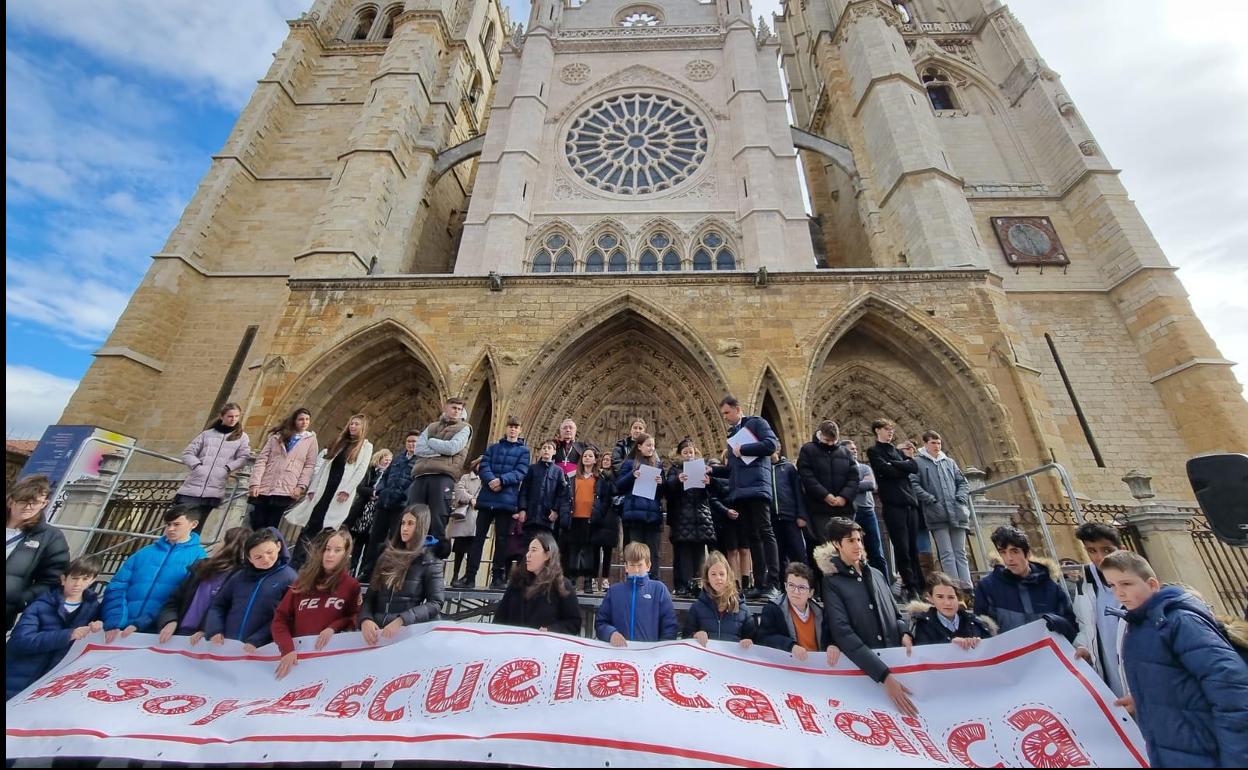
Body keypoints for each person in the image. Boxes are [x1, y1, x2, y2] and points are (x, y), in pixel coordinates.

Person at [1101, 550, 1248, 768]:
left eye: (1126, 584)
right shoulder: (1141, 625)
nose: (1119, 594)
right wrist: (1144, 696)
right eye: (1112, 586)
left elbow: (1232, 692)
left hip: (1207, 751)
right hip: (1174, 750)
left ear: (1152, 584)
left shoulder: (1180, 621)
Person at [815, 517, 917, 717]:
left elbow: (896, 614)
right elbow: (842, 632)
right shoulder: (832, 582)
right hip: (866, 677)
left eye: (859, 539)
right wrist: (884, 675)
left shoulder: (878, 574)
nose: (858, 545)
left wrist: (904, 632)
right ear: (837, 544)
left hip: (897, 664)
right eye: (851, 541)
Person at [102, 504, 207, 640]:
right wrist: (115, 620)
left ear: (193, 524)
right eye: (168, 524)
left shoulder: (199, 558)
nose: (170, 529)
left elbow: (185, 598)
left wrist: (142, 623)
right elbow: (117, 586)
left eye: (176, 524)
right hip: (119, 629)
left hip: (159, 631)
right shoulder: (144, 553)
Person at [6, 555, 103, 700]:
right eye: (74, 578)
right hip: (17, 678)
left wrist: (102, 625)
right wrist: (68, 635)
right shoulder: (40, 604)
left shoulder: (94, 609)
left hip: (50, 688)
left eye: (85, 579)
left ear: (93, 580)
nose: (78, 583)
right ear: (64, 579)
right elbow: (20, 641)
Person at [712, 396, 781, 600]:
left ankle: (774, 582)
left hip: (758, 488)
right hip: (741, 492)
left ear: (738, 409)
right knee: (753, 538)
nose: (724, 417)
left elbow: (771, 445)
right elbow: (732, 469)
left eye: (727, 412)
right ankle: (759, 583)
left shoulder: (756, 423)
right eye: (723, 414)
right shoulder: (733, 435)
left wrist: (744, 449)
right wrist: (712, 471)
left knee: (766, 532)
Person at [271, 528, 362, 679]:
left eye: (337, 550)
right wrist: (287, 649)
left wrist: (334, 627)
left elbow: (355, 617)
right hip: (295, 660)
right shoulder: (302, 582)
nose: (330, 554)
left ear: (346, 554)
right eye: (327, 549)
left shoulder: (351, 586)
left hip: (328, 665)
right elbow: (280, 619)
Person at [286, 414, 373, 567]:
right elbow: (325, 467)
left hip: (340, 491)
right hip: (325, 487)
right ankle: (297, 561)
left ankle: (313, 564)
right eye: (351, 423)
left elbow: (360, 470)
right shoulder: (340, 442)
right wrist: (313, 488)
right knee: (311, 523)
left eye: (356, 424)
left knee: (328, 527)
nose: (352, 426)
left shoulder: (366, 446)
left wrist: (347, 490)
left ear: (363, 427)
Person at [974, 526, 1077, 641]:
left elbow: (1070, 626)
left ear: (1027, 554)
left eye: (1014, 551)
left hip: (1048, 654)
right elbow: (981, 631)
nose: (1009, 558)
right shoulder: (987, 587)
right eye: (1003, 552)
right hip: (1011, 656)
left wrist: (1055, 622)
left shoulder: (1050, 587)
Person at [361, 505, 445, 643]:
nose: (405, 528)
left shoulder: (430, 561)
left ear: (421, 526)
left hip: (406, 635)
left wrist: (402, 620)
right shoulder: (386, 556)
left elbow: (435, 602)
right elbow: (370, 596)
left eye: (411, 523)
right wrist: (365, 619)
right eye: (403, 523)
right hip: (375, 632)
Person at [204, 527, 297, 651]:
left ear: (278, 546)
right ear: (249, 558)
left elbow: (287, 617)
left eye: (269, 552)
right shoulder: (239, 577)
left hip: (260, 649)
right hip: (226, 644)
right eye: (258, 557)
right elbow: (218, 605)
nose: (266, 559)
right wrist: (214, 629)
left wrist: (257, 640)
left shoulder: (290, 578)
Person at [156, 526, 251, 643]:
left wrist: (208, 629)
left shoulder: (241, 578)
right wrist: (169, 621)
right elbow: (174, 601)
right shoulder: (200, 569)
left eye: (221, 541)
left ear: (230, 547)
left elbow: (231, 612)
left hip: (207, 640)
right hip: (177, 634)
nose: (216, 545)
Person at [468, 417, 530, 590]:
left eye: (516, 427)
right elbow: (484, 465)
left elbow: (521, 471)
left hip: (506, 501)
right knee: (478, 538)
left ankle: (497, 577)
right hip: (488, 498)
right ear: (506, 428)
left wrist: (501, 481)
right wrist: (491, 480)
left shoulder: (524, 452)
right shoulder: (493, 448)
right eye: (510, 426)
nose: (512, 430)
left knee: (502, 540)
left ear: (520, 430)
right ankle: (470, 576)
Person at [407, 397, 472, 559]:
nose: (456, 411)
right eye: (453, 407)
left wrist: (432, 442)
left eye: (459, 408)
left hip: (444, 476)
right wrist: (439, 450)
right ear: (445, 407)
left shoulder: (464, 428)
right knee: (413, 515)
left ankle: (434, 558)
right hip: (421, 475)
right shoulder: (432, 426)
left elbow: (452, 448)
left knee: (438, 516)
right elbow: (418, 448)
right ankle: (412, 553)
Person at [867, 419, 924, 599]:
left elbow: (914, 466)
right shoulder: (874, 451)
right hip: (893, 504)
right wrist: (901, 465)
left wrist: (895, 464)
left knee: (914, 547)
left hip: (910, 503)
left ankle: (920, 585)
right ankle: (909, 585)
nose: (890, 432)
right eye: (886, 429)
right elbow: (885, 470)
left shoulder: (896, 452)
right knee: (902, 547)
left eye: (891, 429)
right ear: (877, 430)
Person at [908, 430, 972, 590]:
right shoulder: (918, 462)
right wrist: (931, 500)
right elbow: (914, 484)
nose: (937, 446)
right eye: (933, 443)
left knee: (960, 552)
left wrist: (961, 498)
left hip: (957, 512)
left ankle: (967, 588)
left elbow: (962, 482)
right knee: (946, 554)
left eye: (939, 443)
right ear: (925, 444)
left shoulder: (949, 462)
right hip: (936, 513)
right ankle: (954, 588)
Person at [6, 474, 69, 631]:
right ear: (11, 500)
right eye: (23, 501)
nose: (28, 507)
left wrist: (21, 600)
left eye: (35, 503)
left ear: (44, 504)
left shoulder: (51, 537)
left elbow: (52, 580)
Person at [1072, 522, 1127, 697]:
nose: (1099, 557)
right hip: (1108, 676)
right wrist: (1083, 646)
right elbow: (1085, 624)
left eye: (1106, 550)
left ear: (1122, 549)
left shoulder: (1136, 580)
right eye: (1092, 551)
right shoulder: (1086, 583)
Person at [175, 402, 252, 523]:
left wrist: (227, 468)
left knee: (197, 524)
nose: (234, 419)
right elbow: (188, 453)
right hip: (193, 485)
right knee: (179, 520)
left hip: (214, 488)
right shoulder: (207, 434)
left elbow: (243, 457)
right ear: (222, 416)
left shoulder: (242, 437)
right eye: (230, 416)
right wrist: (197, 466)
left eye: (237, 416)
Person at [494, 531, 582, 634]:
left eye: (534, 550)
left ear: (547, 555)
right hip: (514, 644)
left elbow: (574, 623)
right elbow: (499, 619)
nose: (528, 555)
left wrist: (552, 630)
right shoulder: (517, 582)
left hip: (545, 646)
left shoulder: (561, 585)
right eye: (528, 550)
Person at [798, 421, 858, 563]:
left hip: (844, 509)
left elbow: (854, 477)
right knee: (827, 550)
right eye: (827, 440)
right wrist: (825, 495)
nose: (830, 444)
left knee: (848, 546)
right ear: (819, 435)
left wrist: (844, 496)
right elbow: (807, 476)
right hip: (820, 509)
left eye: (834, 441)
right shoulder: (808, 450)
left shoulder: (845, 452)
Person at [663, 438, 718, 597]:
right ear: (680, 454)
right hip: (682, 519)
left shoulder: (702, 468)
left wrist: (709, 482)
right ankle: (683, 585)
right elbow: (667, 491)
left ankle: (698, 584)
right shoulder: (675, 470)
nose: (688, 455)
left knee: (700, 553)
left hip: (700, 519)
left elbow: (711, 494)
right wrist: (678, 481)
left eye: (691, 452)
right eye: (685, 452)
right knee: (683, 554)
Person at [249, 407, 319, 531]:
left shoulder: (310, 440)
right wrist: (255, 483)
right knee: (257, 520)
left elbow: (309, 465)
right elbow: (262, 459)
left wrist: (300, 486)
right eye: (301, 419)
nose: (305, 422)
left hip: (287, 486)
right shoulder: (277, 437)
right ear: (294, 421)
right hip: (266, 484)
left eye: (307, 419)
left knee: (272, 523)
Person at [363, 430, 420, 579]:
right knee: (375, 538)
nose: (411, 444)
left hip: (401, 505)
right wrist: (380, 491)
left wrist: (404, 497)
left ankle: (389, 572)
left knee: (396, 540)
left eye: (414, 441)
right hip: (384, 503)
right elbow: (385, 477)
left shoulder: (420, 461)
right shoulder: (397, 459)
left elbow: (416, 483)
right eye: (409, 441)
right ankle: (368, 571)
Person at [595, 542, 677, 646]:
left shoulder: (659, 589)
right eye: (632, 565)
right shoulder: (614, 591)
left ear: (648, 566)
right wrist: (611, 634)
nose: (636, 569)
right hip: (620, 653)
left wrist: (662, 649)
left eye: (640, 565)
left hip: (650, 656)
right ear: (626, 567)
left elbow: (669, 626)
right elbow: (601, 622)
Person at [615, 433, 664, 582]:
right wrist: (632, 475)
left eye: (653, 445)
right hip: (635, 515)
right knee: (636, 551)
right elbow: (619, 486)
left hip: (652, 516)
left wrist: (662, 482)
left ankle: (654, 581)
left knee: (653, 552)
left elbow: (663, 493)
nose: (651, 448)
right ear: (639, 446)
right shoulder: (629, 464)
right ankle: (634, 579)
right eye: (648, 445)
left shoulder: (657, 464)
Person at [683, 550, 756, 648]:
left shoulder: (743, 609)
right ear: (707, 577)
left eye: (721, 574)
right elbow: (685, 639)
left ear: (728, 576)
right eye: (713, 574)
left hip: (733, 661)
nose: (718, 578)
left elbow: (756, 641)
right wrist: (694, 635)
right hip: (705, 662)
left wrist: (749, 642)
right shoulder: (696, 608)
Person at [758, 562, 830, 660]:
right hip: (788, 666)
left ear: (811, 593)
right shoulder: (773, 609)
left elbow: (832, 638)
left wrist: (832, 645)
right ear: (785, 586)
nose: (796, 592)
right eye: (791, 585)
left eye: (801, 588)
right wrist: (790, 646)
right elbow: (763, 638)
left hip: (817, 666)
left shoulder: (821, 613)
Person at [563, 447, 609, 593]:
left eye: (590, 456)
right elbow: (565, 497)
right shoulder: (572, 477)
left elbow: (605, 499)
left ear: (595, 460)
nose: (587, 458)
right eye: (585, 456)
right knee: (574, 551)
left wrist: (599, 513)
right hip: (575, 518)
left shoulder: (599, 479)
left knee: (590, 552)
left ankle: (588, 582)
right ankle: (572, 581)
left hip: (591, 519)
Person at [842, 439, 889, 584]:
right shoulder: (841, 471)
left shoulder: (864, 468)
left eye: (855, 448)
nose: (855, 450)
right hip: (850, 513)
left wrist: (849, 485)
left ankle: (883, 584)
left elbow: (870, 484)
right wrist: (858, 483)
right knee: (853, 552)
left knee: (876, 550)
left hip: (868, 512)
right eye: (851, 449)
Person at [908, 572, 995, 648]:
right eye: (940, 597)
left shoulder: (976, 624)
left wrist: (980, 644)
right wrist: (949, 645)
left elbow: (991, 651)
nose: (947, 603)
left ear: (958, 598)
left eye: (951, 597)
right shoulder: (923, 625)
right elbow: (923, 656)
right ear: (930, 598)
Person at [345, 448, 392, 572]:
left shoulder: (390, 475)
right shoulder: (370, 471)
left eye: (389, 460)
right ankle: (352, 569)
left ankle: (363, 571)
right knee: (358, 541)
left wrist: (379, 495)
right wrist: (374, 492)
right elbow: (360, 487)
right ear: (379, 458)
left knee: (371, 543)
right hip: (363, 511)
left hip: (378, 511)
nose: (387, 461)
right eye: (385, 458)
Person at [519, 438, 569, 540]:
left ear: (554, 452)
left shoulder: (558, 471)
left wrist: (555, 510)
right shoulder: (532, 469)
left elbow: (561, 493)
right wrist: (522, 509)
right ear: (540, 451)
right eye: (544, 448)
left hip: (547, 518)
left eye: (549, 448)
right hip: (531, 516)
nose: (546, 450)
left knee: (544, 547)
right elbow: (524, 490)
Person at [769, 443, 808, 571]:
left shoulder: (788, 468)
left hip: (790, 517)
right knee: (778, 557)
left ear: (778, 449)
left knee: (798, 553)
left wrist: (801, 515)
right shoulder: (764, 470)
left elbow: (798, 492)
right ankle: (782, 587)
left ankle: (807, 584)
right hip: (773, 519)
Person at [590, 452, 622, 593]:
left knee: (608, 552)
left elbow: (617, 492)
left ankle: (605, 579)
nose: (606, 461)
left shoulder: (616, 477)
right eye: (604, 459)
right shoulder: (595, 476)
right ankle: (592, 579)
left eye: (609, 459)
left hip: (610, 518)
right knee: (594, 551)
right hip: (597, 515)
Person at [448, 456, 482, 589]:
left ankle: (468, 575)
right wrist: (471, 498)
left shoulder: (487, 480)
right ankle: (455, 575)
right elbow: (459, 491)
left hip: (478, 518)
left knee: (474, 549)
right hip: (465, 516)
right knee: (460, 548)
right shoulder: (466, 477)